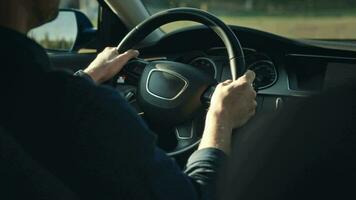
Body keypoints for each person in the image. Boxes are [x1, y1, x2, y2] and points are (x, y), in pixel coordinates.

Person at [0, 0, 257, 199]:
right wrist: (220, 117)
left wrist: (87, 77)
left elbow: (36, 106)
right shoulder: (86, 108)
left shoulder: (45, 98)